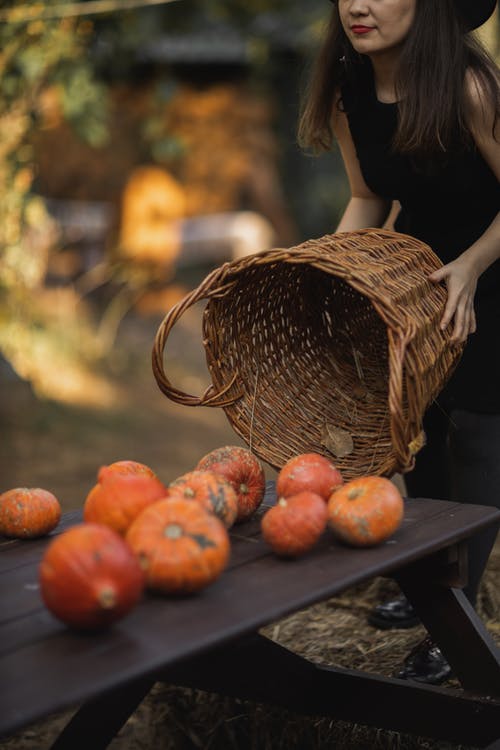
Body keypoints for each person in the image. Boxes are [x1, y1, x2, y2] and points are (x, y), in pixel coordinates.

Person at [298, 0, 500, 685]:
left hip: (489, 269)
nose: (357, 4)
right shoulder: (349, 88)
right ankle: (434, 597)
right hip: (415, 281)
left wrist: (471, 266)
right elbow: (365, 195)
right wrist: (323, 268)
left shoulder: (471, 87)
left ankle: (461, 622)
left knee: (477, 431)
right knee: (420, 424)